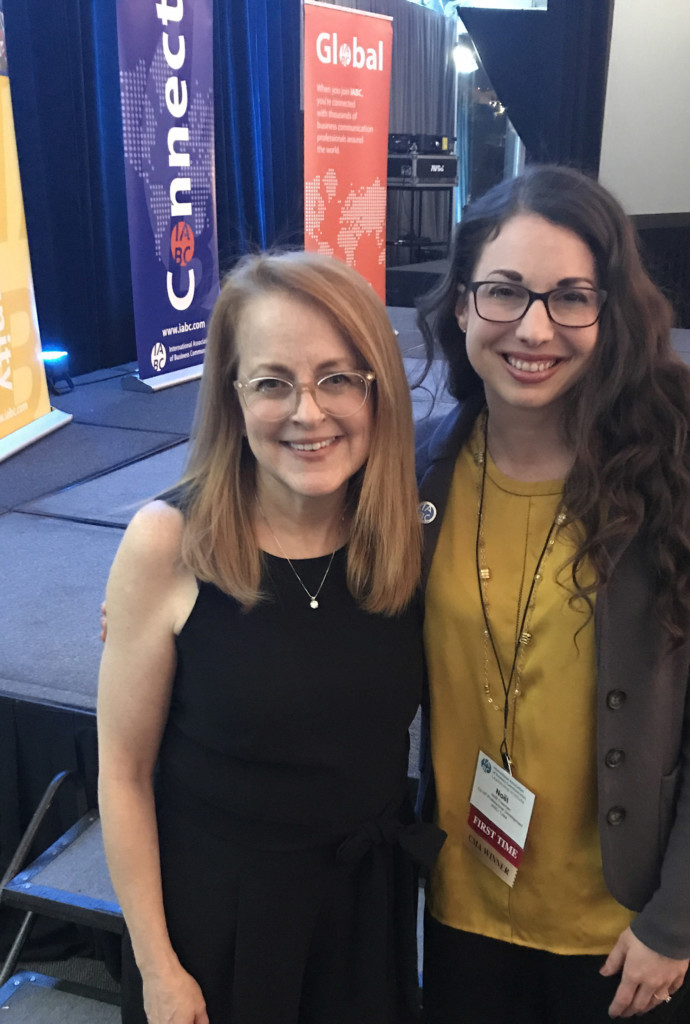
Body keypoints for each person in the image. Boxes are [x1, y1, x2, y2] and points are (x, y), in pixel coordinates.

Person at [414, 165, 690, 1023]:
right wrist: (171, 558)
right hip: (459, 911)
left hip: (618, 937)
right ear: (461, 306)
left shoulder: (689, 483)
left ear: (612, 314)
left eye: (571, 296)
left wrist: (677, 923)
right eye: (504, 292)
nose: (535, 327)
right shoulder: (415, 471)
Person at [97, 251, 441, 1024]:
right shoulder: (168, 544)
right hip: (217, 933)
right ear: (233, 395)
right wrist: (157, 968)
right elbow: (122, 774)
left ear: (377, 388)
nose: (308, 413)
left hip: (365, 924)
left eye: (337, 378)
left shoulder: (406, 540)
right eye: (273, 381)